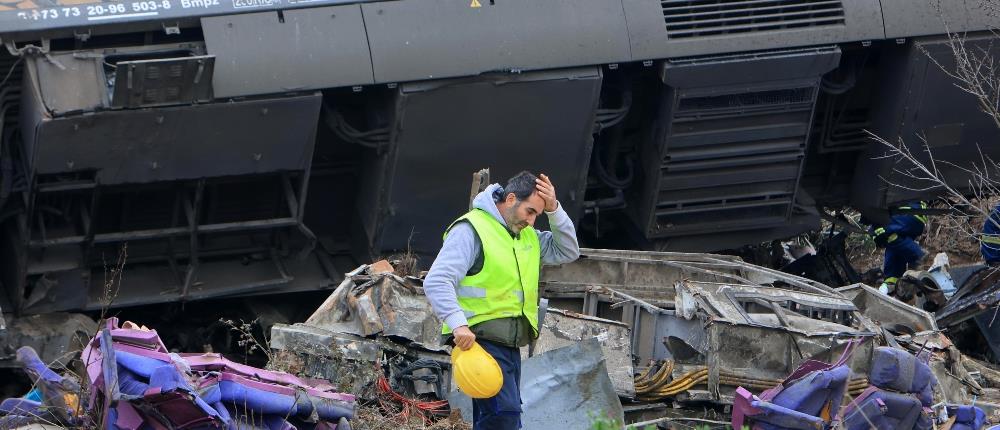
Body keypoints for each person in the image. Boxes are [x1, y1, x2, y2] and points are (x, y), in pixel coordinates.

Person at [423, 171, 580, 429]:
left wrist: (554, 209)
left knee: (501, 418)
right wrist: (458, 324)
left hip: (510, 345)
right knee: (503, 417)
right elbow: (437, 280)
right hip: (480, 341)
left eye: (536, 215)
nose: (531, 221)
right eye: (529, 211)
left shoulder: (527, 236)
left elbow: (569, 250)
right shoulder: (471, 229)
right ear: (510, 199)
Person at [868, 201, 928, 295]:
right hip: (907, 215)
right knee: (892, 242)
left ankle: (918, 255)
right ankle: (892, 281)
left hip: (909, 211)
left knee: (879, 231)